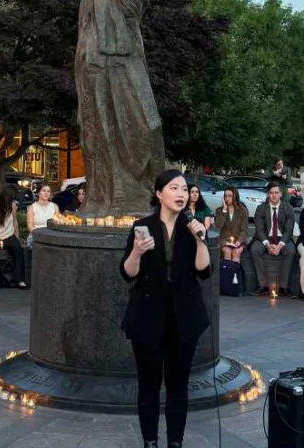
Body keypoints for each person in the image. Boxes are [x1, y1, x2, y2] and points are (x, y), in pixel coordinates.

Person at [71, 0, 166, 215]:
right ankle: (105, 199)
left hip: (129, 55)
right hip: (95, 55)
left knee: (148, 124)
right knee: (99, 129)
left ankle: (146, 196)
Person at [120, 169, 211, 448]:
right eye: (174, 188)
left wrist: (200, 239)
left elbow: (203, 271)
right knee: (148, 386)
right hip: (148, 318)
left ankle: (175, 442)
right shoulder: (142, 226)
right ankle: (150, 441)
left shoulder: (191, 227)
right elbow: (127, 273)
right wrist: (137, 251)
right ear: (159, 194)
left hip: (184, 319)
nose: (181, 194)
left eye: (184, 189)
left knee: (178, 387)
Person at [249, 182, 296, 297]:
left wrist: (279, 246)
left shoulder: (288, 209)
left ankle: (283, 287)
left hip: (283, 239)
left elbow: (288, 231)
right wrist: (267, 245)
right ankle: (263, 285)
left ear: (281, 194)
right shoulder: (261, 208)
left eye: (276, 192)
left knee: (291, 251)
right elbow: (259, 230)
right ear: (267, 194)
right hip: (265, 238)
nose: (274, 195)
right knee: (255, 249)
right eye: (271, 193)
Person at [0, 185, 28, 292]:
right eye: (11, 199)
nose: (13, 202)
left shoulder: (12, 205)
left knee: (18, 250)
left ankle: (20, 280)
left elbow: (14, 221)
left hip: (9, 235)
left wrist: (17, 237)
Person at [215, 187, 248, 262]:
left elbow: (244, 230)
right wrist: (224, 210)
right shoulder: (219, 210)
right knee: (227, 251)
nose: (227, 198)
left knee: (236, 252)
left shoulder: (242, 211)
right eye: (225, 196)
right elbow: (219, 225)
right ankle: (228, 270)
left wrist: (239, 241)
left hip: (239, 240)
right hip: (224, 240)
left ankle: (235, 270)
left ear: (235, 197)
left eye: (230, 196)